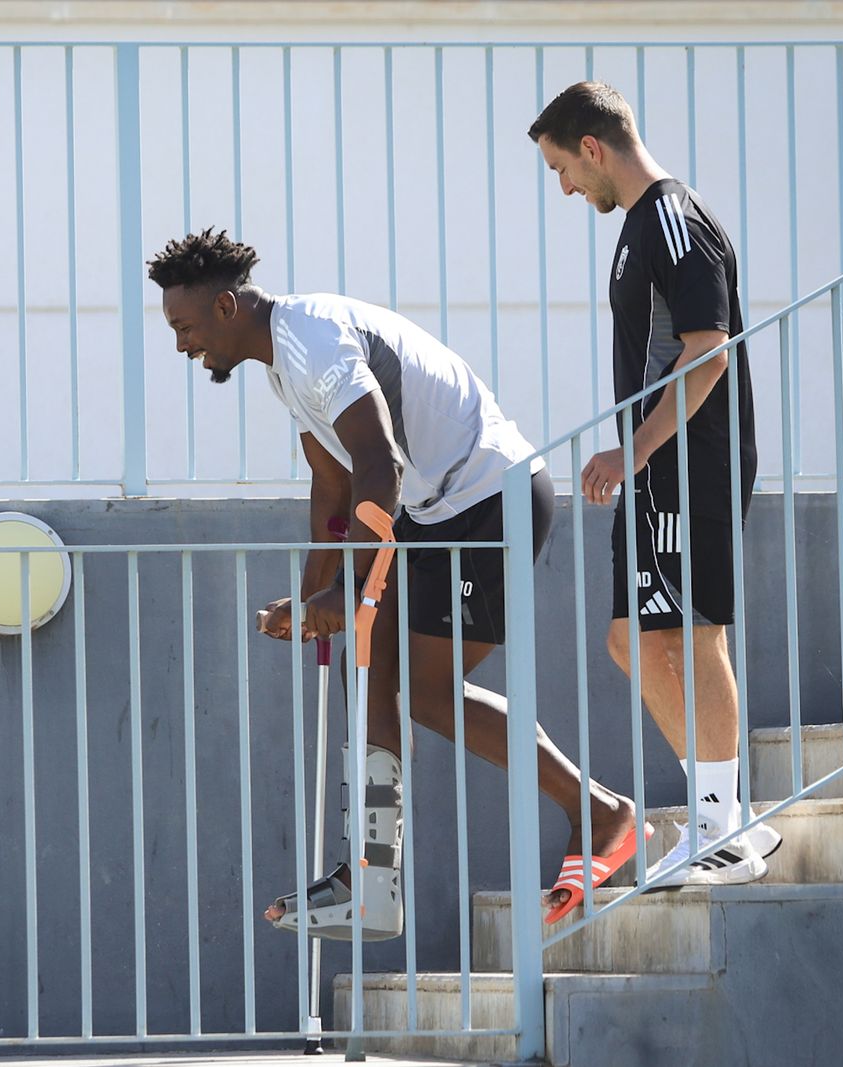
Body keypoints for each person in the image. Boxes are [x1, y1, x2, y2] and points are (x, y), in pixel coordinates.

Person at [146, 229, 641, 937]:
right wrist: (312, 596)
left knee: (424, 688)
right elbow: (334, 486)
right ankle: (372, 880)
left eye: (185, 327)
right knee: (374, 662)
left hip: (491, 498)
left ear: (225, 306)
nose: (181, 345)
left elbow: (378, 463)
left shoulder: (313, 344)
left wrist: (349, 591)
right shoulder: (284, 364)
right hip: (437, 511)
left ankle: (601, 812)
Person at [529, 82, 781, 885]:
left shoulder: (673, 219)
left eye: (563, 168)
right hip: (656, 466)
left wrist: (632, 452)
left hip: (686, 462)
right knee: (632, 638)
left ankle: (722, 830)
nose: (565, 186)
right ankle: (724, 814)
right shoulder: (640, 227)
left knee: (691, 633)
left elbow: (709, 350)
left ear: (593, 148)